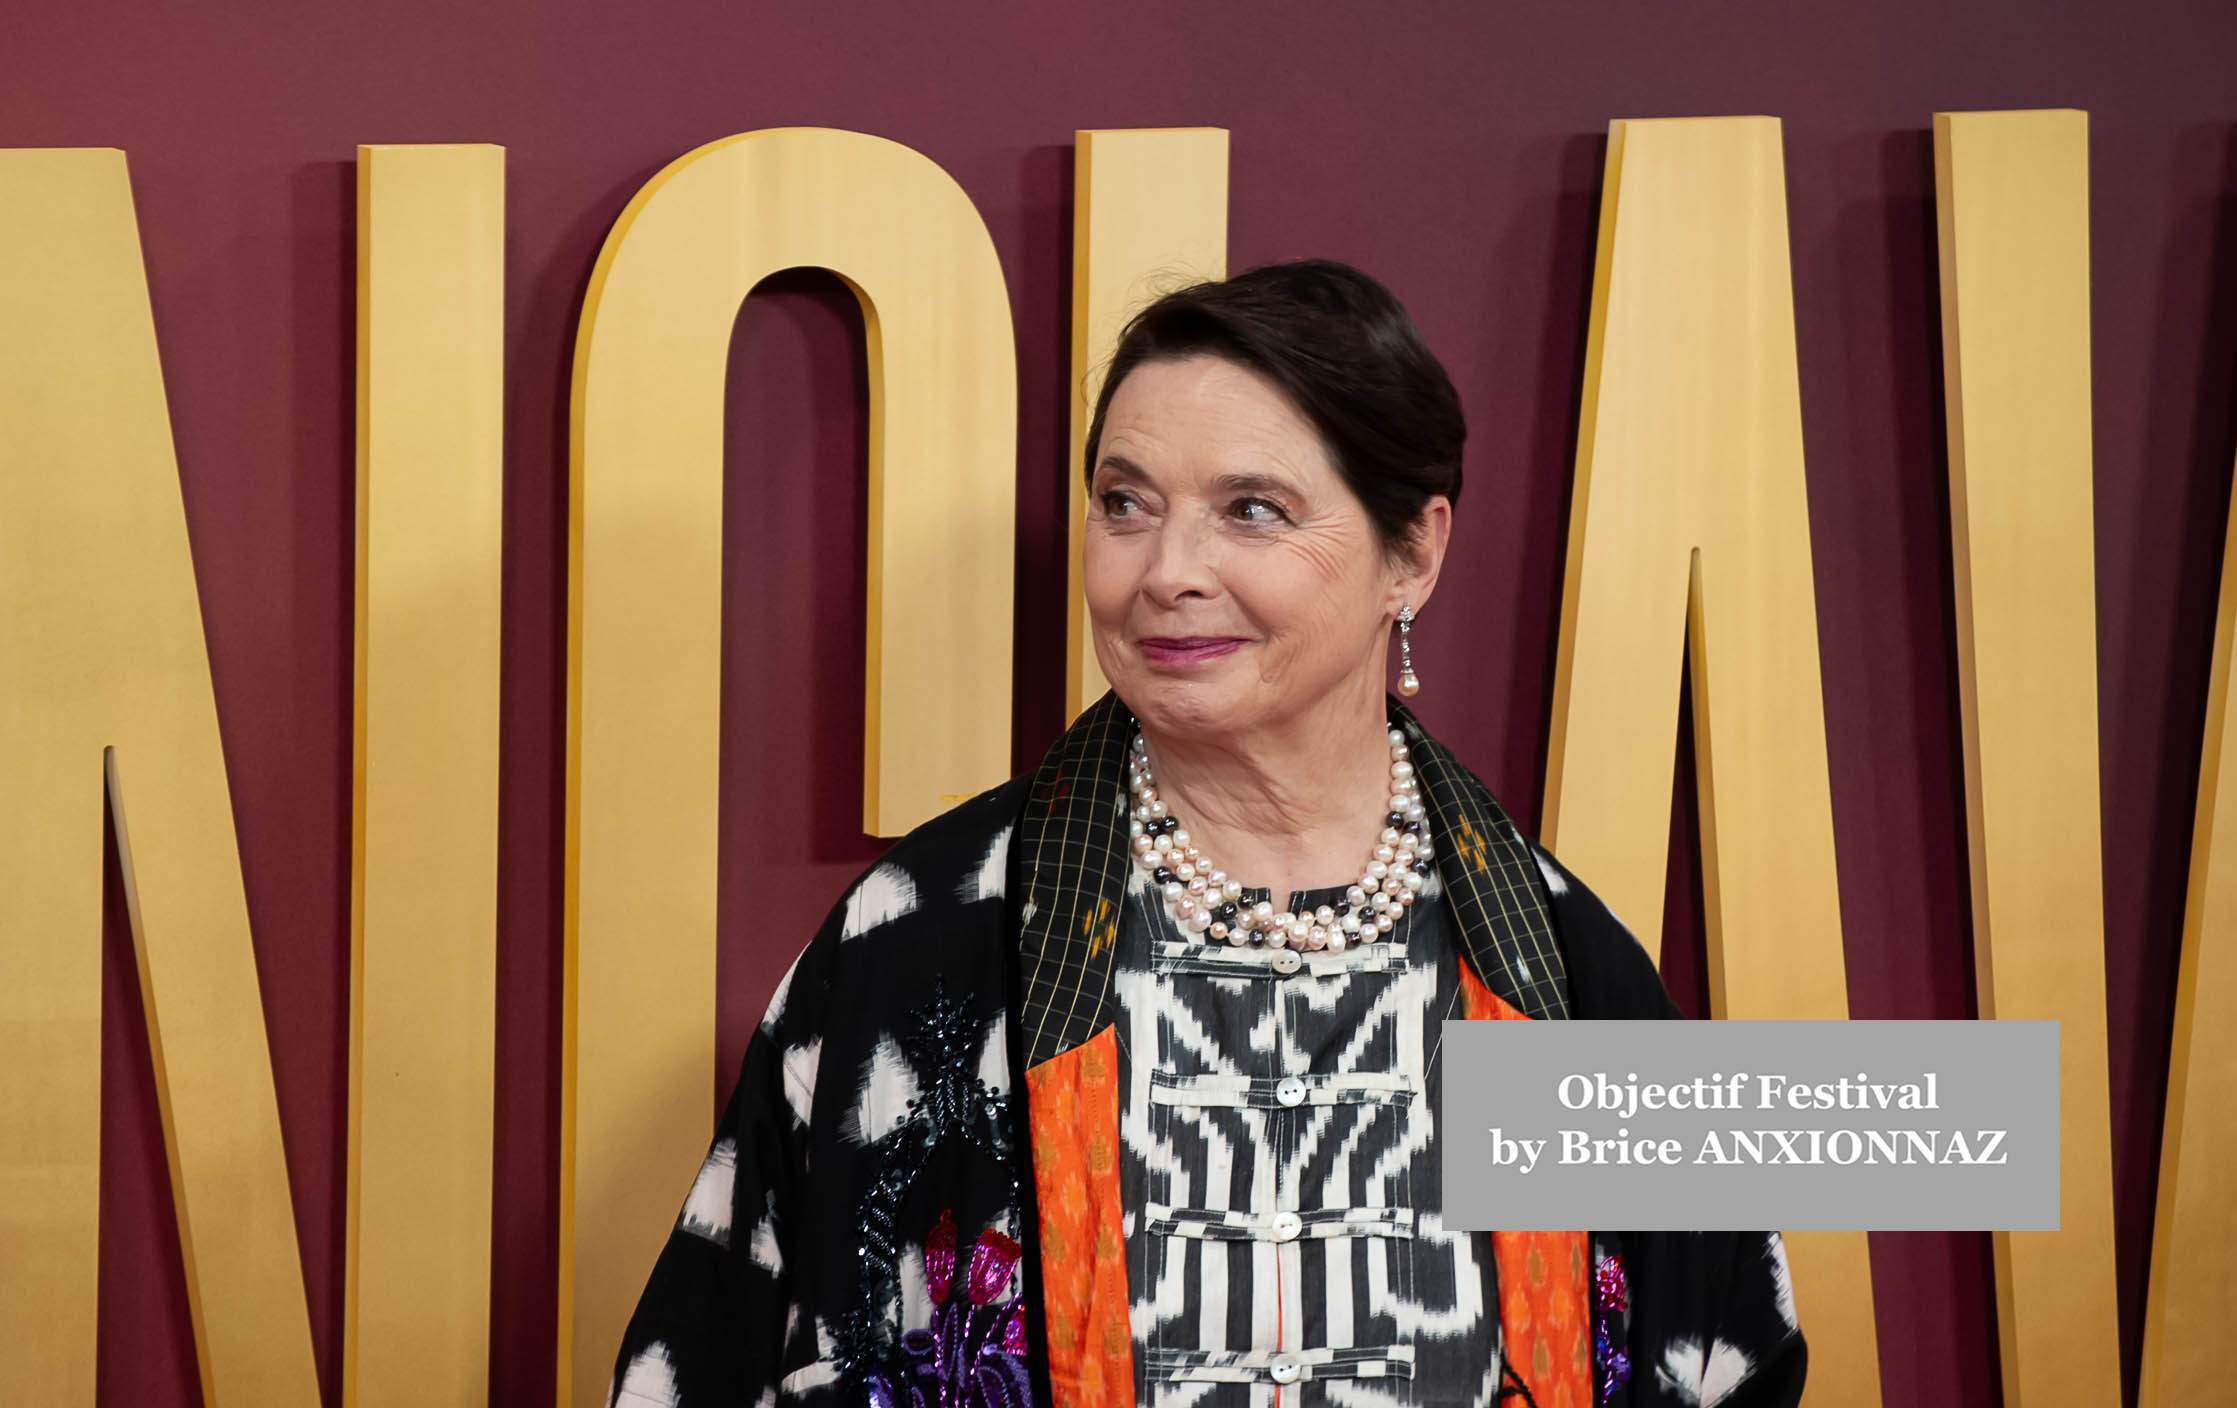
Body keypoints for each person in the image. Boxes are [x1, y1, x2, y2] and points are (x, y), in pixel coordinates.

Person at [606, 260, 1806, 1408]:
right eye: (1125, 504)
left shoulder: (1562, 964)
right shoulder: (920, 941)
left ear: (1415, 550)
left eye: (1251, 511)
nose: (1167, 570)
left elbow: (1734, 1362)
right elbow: (703, 1357)